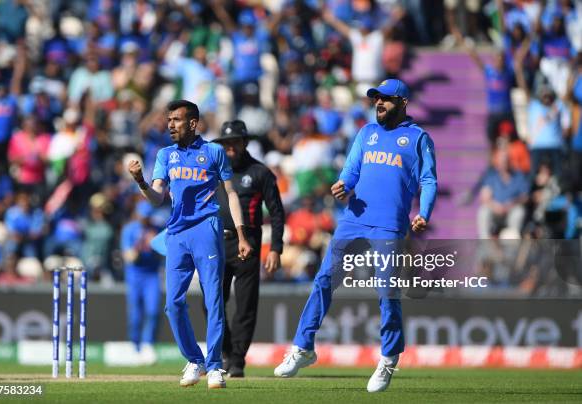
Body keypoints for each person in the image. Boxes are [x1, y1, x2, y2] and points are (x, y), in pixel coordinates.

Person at [273, 79, 437, 393]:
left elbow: (429, 180)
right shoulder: (366, 133)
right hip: (354, 220)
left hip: (389, 225)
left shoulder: (418, 138)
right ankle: (303, 348)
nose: (379, 103)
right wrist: (342, 185)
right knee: (323, 280)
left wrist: (424, 214)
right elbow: (351, 171)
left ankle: (388, 359)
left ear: (402, 102)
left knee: (387, 293)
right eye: (376, 98)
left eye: (386, 99)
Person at [127, 100, 251, 389]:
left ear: (193, 123)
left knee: (213, 298)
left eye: (177, 120)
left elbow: (231, 195)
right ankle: (194, 360)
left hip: (207, 228)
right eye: (168, 120)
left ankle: (216, 366)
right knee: (173, 304)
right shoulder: (165, 155)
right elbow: (158, 198)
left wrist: (242, 234)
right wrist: (141, 182)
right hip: (176, 233)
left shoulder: (214, 152)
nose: (170, 125)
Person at [212, 120, 285, 378]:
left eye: (235, 142)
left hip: (248, 245)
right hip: (215, 243)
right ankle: (225, 352)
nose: (230, 147)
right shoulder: (213, 172)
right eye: (226, 143)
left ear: (245, 143)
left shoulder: (260, 173)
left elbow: (277, 212)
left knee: (245, 306)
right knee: (212, 303)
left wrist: (276, 248)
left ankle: (238, 361)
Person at [121, 200, 162, 365]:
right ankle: (135, 346)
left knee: (153, 310)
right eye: (143, 217)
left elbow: (164, 250)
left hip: (152, 275)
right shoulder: (129, 230)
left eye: (148, 217)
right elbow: (128, 256)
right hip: (135, 275)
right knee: (135, 314)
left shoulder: (157, 229)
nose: (146, 220)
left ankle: (148, 344)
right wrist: (140, 245)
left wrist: (154, 244)